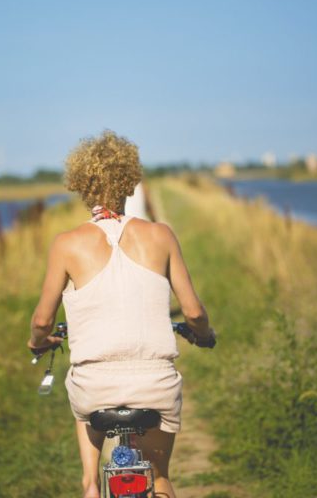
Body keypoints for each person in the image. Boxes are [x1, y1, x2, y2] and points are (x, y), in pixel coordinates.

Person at [27, 130, 215, 498]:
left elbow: (41, 322)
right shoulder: (161, 235)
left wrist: (37, 343)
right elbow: (193, 311)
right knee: (160, 478)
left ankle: (91, 485)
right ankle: (158, 485)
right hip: (154, 385)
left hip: (94, 388)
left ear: (81, 186)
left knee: (85, 402)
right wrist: (204, 335)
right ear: (130, 184)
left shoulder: (66, 244)